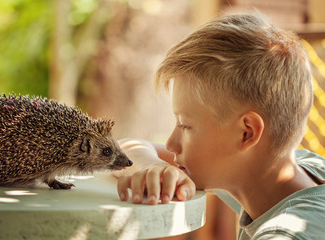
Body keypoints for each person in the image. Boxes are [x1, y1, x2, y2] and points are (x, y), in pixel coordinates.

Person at [115, 13, 325, 239]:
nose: (171, 144)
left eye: (185, 126)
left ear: (246, 133)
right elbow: (127, 149)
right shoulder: (297, 168)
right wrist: (151, 166)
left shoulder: (286, 234)